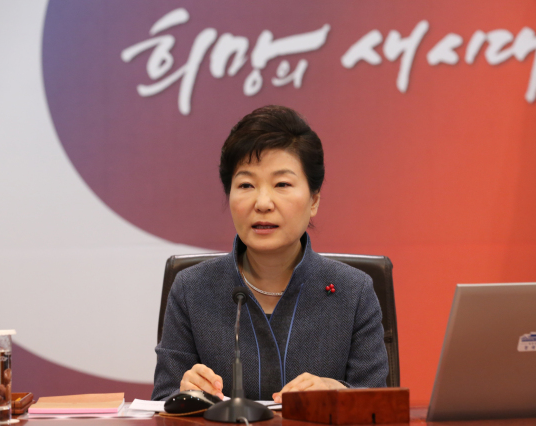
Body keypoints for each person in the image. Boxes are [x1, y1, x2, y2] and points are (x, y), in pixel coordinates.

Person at [152, 105, 388, 403]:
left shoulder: (353, 292)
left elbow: (380, 405)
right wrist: (183, 394)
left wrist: (341, 396)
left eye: (282, 184)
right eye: (246, 185)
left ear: (314, 199)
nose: (263, 203)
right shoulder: (192, 289)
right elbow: (162, 403)